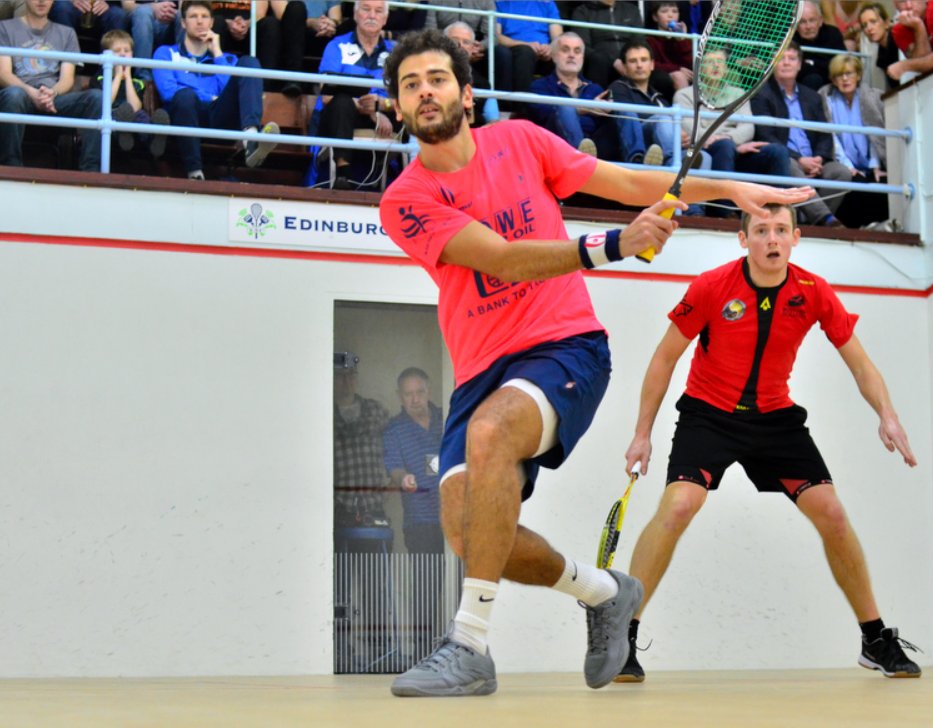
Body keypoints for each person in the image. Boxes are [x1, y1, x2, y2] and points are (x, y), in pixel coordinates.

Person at [376, 29, 813, 698]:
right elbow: (498, 255)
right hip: (478, 372)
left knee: (493, 435)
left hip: (565, 346)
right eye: (410, 85)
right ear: (399, 108)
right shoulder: (403, 201)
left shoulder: (520, 140)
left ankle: (468, 646)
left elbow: (630, 181)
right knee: (469, 533)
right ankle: (605, 591)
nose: (424, 91)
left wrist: (726, 187)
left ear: (466, 93)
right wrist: (616, 242)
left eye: (436, 78)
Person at [616, 202, 922, 683]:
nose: (772, 239)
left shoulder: (813, 291)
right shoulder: (712, 286)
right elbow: (664, 358)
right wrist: (642, 434)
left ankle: (875, 638)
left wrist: (888, 415)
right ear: (744, 240)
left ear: (796, 238)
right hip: (708, 416)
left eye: (781, 230)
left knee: (833, 514)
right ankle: (622, 636)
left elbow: (860, 363)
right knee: (677, 507)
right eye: (761, 230)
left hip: (775, 420)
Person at [152, 0, 278, 181]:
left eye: (204, 17)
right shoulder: (166, 53)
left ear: (212, 23)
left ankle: (251, 139)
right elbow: (168, 92)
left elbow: (230, 92)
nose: (199, 21)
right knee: (185, 96)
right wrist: (208, 96)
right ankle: (195, 173)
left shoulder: (226, 59)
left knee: (250, 63)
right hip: (186, 116)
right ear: (183, 23)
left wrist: (218, 54)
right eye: (193, 16)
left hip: (220, 117)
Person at [672, 49, 790, 219]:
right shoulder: (684, 95)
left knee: (777, 152)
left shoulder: (738, 93)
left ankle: (778, 211)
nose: (716, 66)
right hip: (704, 151)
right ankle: (725, 211)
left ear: (727, 68)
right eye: (710, 62)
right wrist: (723, 139)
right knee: (723, 146)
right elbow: (692, 129)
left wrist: (730, 139)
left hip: (734, 148)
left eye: (720, 62)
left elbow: (748, 127)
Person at [752, 41, 852, 228]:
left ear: (799, 64)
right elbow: (766, 135)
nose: (787, 63)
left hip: (814, 162)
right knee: (789, 165)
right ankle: (825, 219)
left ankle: (806, 219)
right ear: (773, 63)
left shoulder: (812, 96)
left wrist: (819, 158)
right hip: (786, 159)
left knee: (842, 173)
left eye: (792, 58)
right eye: (781, 58)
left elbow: (824, 133)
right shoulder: (762, 93)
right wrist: (800, 160)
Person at [383, 367, 446, 656]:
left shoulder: (448, 419)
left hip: (457, 517)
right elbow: (394, 468)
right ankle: (425, 651)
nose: (415, 399)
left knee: (463, 581)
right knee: (427, 585)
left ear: (429, 391)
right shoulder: (394, 430)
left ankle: (458, 647)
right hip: (420, 520)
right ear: (400, 397)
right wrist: (403, 479)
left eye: (419, 392)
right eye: (408, 394)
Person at [0, 0, 103, 172]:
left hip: (54, 98)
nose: (41, 1)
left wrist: (52, 93)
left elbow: (67, 79)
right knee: (13, 95)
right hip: (22, 95)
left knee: (97, 98)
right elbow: (4, 74)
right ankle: (11, 168)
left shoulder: (67, 32)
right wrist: (31, 93)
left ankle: (91, 172)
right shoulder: (5, 28)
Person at [313, 0, 397, 190]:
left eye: (378, 11)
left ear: (385, 18)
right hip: (341, 116)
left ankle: (399, 180)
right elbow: (326, 96)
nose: (372, 16)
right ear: (356, 14)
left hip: (386, 116)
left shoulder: (397, 52)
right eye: (366, 9)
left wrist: (382, 105)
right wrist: (369, 110)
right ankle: (343, 173)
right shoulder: (337, 46)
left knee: (408, 110)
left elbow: (408, 96)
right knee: (341, 101)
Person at [819, 53, 889, 228]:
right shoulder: (827, 100)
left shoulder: (872, 97)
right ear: (833, 80)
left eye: (849, 73)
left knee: (880, 185)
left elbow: (875, 134)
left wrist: (875, 165)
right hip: (844, 162)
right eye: (839, 75)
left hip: (871, 162)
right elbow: (832, 137)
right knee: (855, 186)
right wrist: (847, 165)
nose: (844, 79)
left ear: (858, 75)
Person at [527, 31, 617, 159]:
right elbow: (544, 114)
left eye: (577, 51)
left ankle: (637, 161)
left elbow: (604, 126)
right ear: (553, 56)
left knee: (625, 113)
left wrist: (608, 110)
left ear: (582, 58)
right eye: (565, 50)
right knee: (565, 108)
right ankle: (581, 161)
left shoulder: (595, 89)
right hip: (556, 149)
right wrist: (586, 109)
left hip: (595, 148)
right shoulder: (539, 86)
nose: (571, 55)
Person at [334, 350, 392, 533]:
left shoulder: (375, 410)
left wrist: (391, 486)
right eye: (340, 376)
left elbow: (394, 447)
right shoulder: (324, 415)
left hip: (374, 507)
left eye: (351, 374)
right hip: (340, 508)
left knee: (374, 561)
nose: (346, 381)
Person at [96, 29, 170, 158]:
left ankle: (154, 137)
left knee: (141, 117)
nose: (123, 55)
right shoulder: (100, 79)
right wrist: (118, 76)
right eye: (117, 51)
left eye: (126, 51)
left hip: (134, 116)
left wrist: (128, 77)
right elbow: (105, 103)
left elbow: (135, 107)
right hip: (112, 113)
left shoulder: (137, 82)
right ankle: (123, 134)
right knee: (119, 113)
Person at [608, 41, 674, 166]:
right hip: (631, 147)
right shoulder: (617, 88)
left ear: (652, 65)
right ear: (624, 67)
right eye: (633, 61)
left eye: (644, 60)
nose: (639, 65)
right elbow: (628, 119)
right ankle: (673, 164)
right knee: (663, 120)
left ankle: (679, 166)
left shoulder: (660, 99)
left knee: (705, 157)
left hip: (662, 148)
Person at [493, 0, 561, 97]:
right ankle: (522, 107)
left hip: (544, 51)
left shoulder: (547, 3)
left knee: (568, 52)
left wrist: (550, 48)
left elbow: (558, 37)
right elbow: (496, 36)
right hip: (515, 49)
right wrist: (527, 45)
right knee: (525, 52)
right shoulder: (500, 3)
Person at [571, 0, 643, 88]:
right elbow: (582, 46)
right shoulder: (582, 11)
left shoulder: (632, 10)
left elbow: (640, 42)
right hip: (600, 64)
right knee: (598, 59)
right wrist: (613, 61)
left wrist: (630, 61)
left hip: (629, 62)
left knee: (659, 77)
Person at [443, 21, 500, 126]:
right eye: (454, 41)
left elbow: (493, 122)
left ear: (473, 48)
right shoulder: (427, 74)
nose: (460, 46)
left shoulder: (484, 84)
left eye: (466, 42)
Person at [887, 0, 933, 83]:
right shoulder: (898, 30)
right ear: (895, 5)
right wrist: (918, 26)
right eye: (902, 1)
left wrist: (905, 65)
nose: (909, 6)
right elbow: (923, 67)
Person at [796, 0, 848, 91]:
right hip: (802, 87)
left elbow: (842, 64)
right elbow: (796, 69)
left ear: (820, 21)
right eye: (803, 22)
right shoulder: (791, 38)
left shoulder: (833, 33)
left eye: (812, 20)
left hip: (832, 83)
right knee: (813, 79)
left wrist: (812, 63)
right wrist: (824, 65)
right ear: (796, 25)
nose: (808, 26)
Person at [645, 1, 692, 102]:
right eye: (664, 11)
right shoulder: (650, 39)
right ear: (655, 17)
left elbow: (690, 64)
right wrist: (677, 68)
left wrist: (682, 40)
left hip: (683, 76)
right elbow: (651, 63)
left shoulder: (684, 39)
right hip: (659, 76)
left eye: (674, 11)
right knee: (679, 76)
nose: (670, 15)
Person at [123, 0, 177, 82]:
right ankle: (144, 79)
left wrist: (170, 12)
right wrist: (153, 7)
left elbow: (187, 6)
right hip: (141, 21)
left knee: (184, 16)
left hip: (171, 22)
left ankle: (184, 74)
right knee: (143, 13)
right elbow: (127, 5)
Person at [858, 2, 902, 90]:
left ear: (886, 23)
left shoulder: (899, 40)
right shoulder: (880, 55)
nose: (869, 28)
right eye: (864, 25)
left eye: (873, 22)